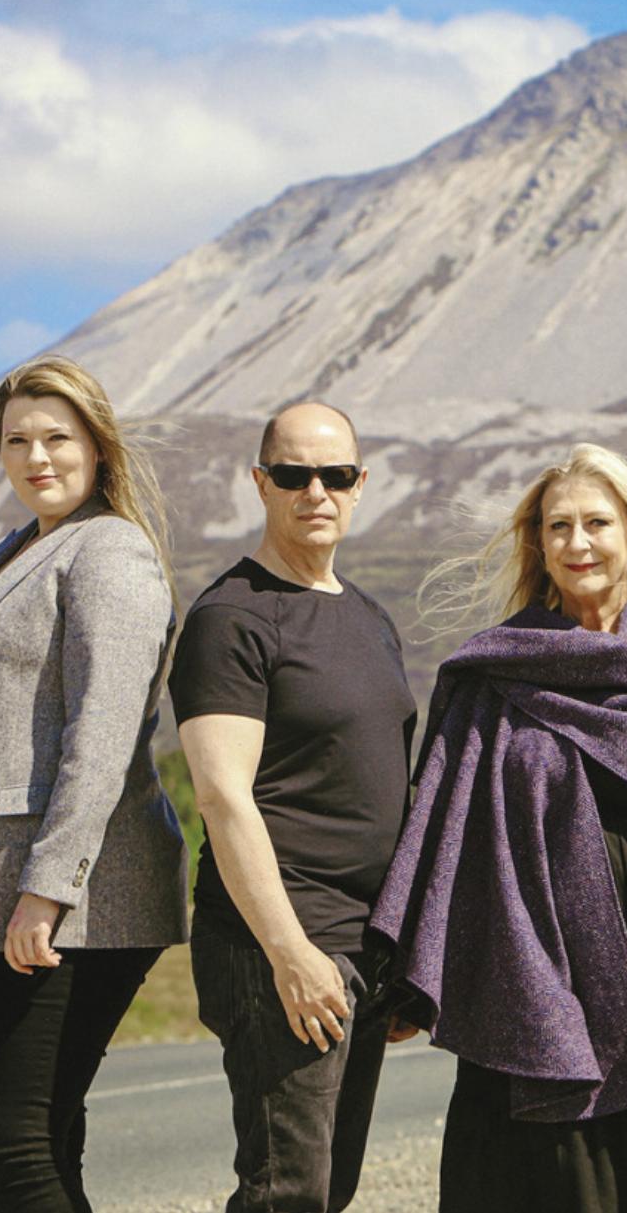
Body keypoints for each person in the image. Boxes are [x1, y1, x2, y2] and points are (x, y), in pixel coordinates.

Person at [370, 442, 627, 1213]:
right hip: (527, 966)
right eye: (557, 525)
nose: (577, 542)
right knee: (542, 1181)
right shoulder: (499, 667)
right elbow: (444, 827)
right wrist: (412, 965)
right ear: (538, 544)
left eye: (596, 521)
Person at [0, 355, 187, 1213]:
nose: (38, 456)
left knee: (13, 1136)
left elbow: (100, 733)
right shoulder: (22, 546)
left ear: (99, 447)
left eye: (57, 437)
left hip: (75, 889)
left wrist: (46, 890)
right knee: (44, 1131)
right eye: (18, 439)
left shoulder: (110, 551)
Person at [170, 401, 417, 1213]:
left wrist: (403, 952)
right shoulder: (231, 617)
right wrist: (289, 951)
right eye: (294, 474)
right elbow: (222, 796)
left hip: (363, 947)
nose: (316, 490)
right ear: (260, 483)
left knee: (329, 1186)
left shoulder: (369, 617)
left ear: (359, 485)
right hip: (279, 940)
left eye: (335, 474)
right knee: (288, 1189)